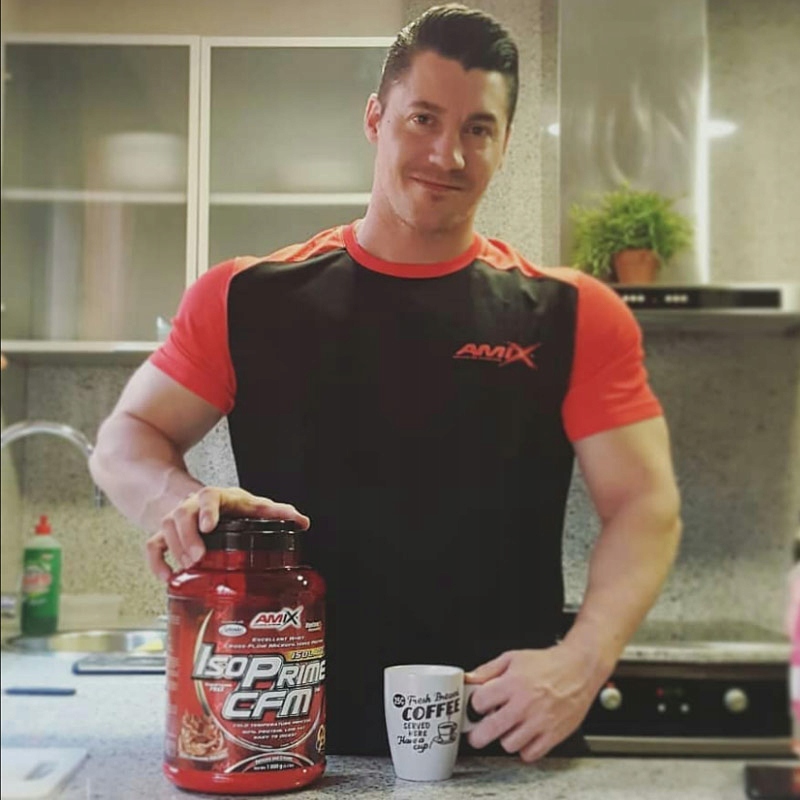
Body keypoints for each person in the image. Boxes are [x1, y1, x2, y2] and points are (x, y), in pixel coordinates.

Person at [90, 3, 681, 762]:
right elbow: (125, 441)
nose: (448, 154)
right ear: (376, 118)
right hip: (287, 740)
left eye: (478, 129)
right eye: (423, 118)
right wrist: (175, 503)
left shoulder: (570, 313)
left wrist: (585, 658)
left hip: (502, 739)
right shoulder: (246, 299)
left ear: (504, 144)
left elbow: (645, 505)